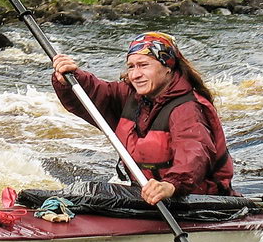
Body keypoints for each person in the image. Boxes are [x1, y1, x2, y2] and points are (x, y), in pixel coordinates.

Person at [51, 31, 236, 205]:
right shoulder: (131, 96)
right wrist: (69, 78)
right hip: (149, 196)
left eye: (144, 65)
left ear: (168, 67)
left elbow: (194, 152)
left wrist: (171, 185)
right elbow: (92, 95)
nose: (136, 75)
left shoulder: (188, 108)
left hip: (194, 200)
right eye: (131, 66)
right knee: (87, 191)